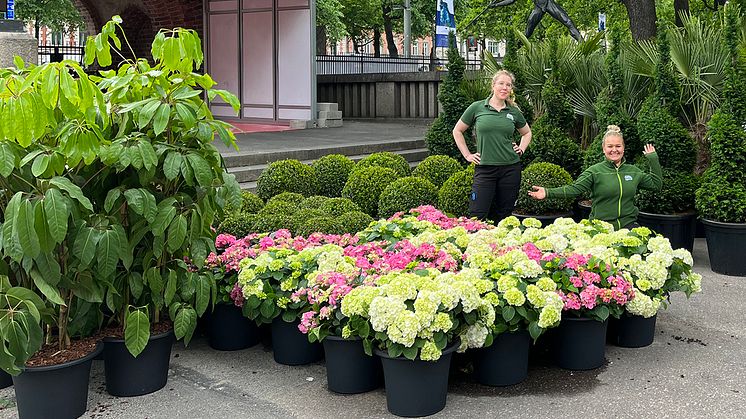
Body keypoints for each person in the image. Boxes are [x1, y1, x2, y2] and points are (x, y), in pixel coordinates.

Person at [527, 125, 662, 230]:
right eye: (610, 146)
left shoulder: (633, 172)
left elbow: (656, 185)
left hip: (628, 225)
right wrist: (548, 192)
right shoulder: (595, 172)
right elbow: (574, 189)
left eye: (618, 146)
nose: (614, 150)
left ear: (623, 148)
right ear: (603, 149)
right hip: (601, 227)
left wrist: (653, 159)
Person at [453, 70, 532, 223]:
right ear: (493, 85)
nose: (505, 88)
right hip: (485, 170)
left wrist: (521, 148)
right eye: (501, 83)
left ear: (511, 89)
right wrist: (467, 155)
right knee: (477, 215)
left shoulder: (514, 112)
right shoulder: (477, 108)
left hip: (510, 169)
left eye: (508, 85)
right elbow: (457, 131)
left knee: (505, 215)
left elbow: (527, 133)